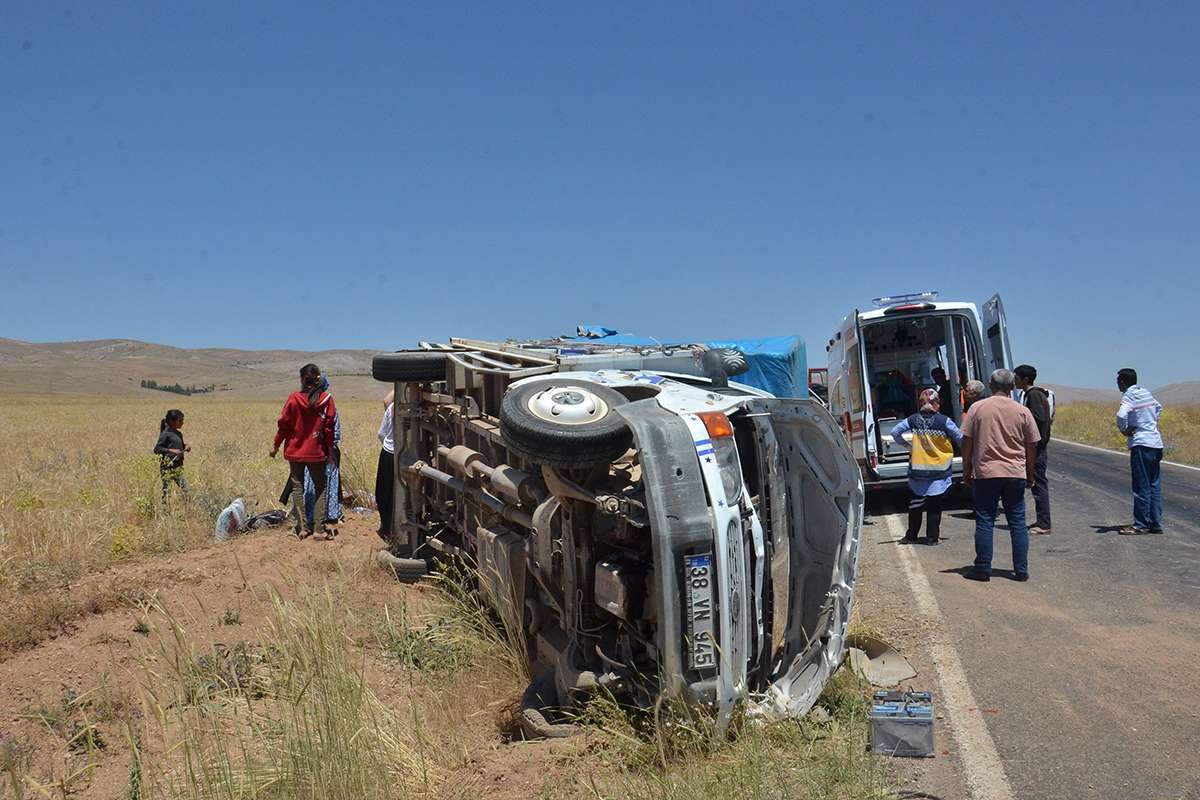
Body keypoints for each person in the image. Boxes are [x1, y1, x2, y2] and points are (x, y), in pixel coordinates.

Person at [961, 369, 1040, 582]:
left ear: (990, 384)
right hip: (1015, 473)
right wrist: (1030, 473)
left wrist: (967, 469)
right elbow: (1032, 445)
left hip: (986, 473)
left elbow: (966, 440)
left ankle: (983, 568)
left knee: (985, 519)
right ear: (1012, 386)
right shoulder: (1022, 411)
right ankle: (1021, 570)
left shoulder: (977, 408)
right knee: (1017, 521)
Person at [270, 364, 338, 539]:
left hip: (295, 451)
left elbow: (283, 425)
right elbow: (329, 428)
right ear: (318, 379)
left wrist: (276, 445)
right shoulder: (326, 399)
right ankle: (319, 529)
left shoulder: (293, 399)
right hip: (316, 451)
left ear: (302, 380)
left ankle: (302, 528)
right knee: (321, 487)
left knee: (297, 487)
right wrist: (330, 450)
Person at [891, 388, 963, 545]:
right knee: (934, 506)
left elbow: (895, 432)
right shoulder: (944, 421)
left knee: (916, 505)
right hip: (939, 470)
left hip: (918, 471)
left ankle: (911, 535)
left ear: (921, 403)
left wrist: (908, 446)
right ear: (937, 404)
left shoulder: (913, 419)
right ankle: (932, 538)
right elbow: (960, 438)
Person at [1115, 368, 1164, 535]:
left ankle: (1141, 524)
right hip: (1156, 442)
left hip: (1142, 443)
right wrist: (1150, 423)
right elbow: (1159, 408)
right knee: (1154, 484)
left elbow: (1121, 414)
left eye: (1118, 380)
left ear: (1122, 382)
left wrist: (1125, 429)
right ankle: (1155, 523)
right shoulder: (1145, 392)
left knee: (1141, 485)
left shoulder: (1129, 395)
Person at [1014, 365, 1053, 535]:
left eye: (1017, 377)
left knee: (1038, 484)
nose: (1015, 381)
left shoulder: (1035, 395)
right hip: (1036, 446)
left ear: (1025, 379)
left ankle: (1044, 524)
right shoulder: (1033, 395)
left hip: (1036, 448)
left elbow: (1038, 419)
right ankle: (1041, 520)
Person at [303, 376, 342, 534]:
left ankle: (308, 515)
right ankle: (329, 514)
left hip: (307, 452)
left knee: (310, 483)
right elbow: (335, 432)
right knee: (326, 482)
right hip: (326, 452)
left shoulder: (304, 405)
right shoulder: (329, 406)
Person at [154, 409, 191, 498]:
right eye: (180, 421)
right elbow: (157, 449)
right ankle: (165, 510)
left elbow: (181, 446)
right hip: (167, 467)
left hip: (178, 467)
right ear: (171, 421)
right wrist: (171, 451)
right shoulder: (165, 434)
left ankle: (187, 508)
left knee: (187, 490)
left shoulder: (178, 434)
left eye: (183, 420)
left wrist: (186, 447)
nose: (182, 423)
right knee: (167, 492)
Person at [375, 389, 395, 543]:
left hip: (389, 454)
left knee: (383, 493)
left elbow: (381, 434)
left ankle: (386, 527)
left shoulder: (392, 408)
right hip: (409, 455)